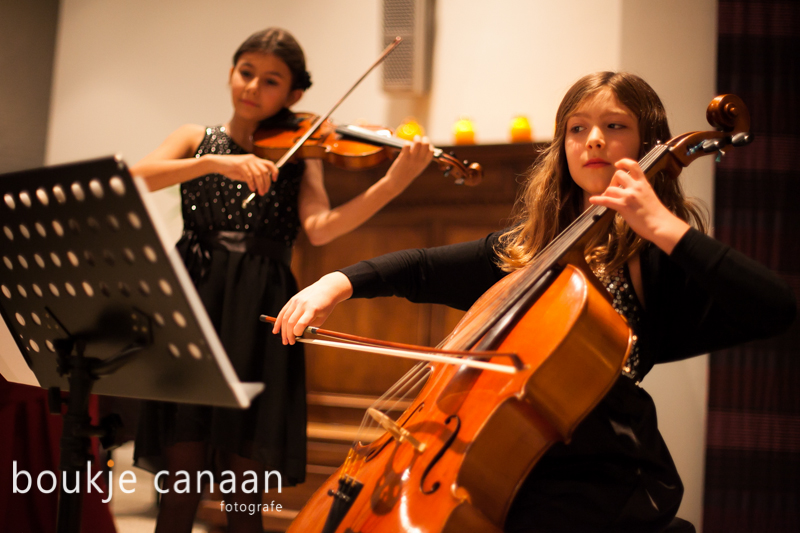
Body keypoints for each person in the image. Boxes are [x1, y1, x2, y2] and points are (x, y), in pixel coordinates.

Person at [272, 71, 797, 532]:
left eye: (615, 126)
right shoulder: (525, 253)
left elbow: (775, 307)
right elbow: (421, 267)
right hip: (500, 466)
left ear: (647, 143)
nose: (593, 139)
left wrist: (661, 226)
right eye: (577, 128)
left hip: (604, 482)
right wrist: (335, 282)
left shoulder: (659, 262)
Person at [130, 27, 434, 533]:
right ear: (231, 72)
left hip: (259, 309)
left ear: (293, 96)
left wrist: (392, 183)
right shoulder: (196, 138)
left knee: (244, 482)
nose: (252, 86)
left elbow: (320, 229)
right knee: (182, 471)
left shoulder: (301, 152)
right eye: (245, 72)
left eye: (271, 81)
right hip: (198, 298)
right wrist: (212, 162)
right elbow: (136, 177)